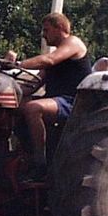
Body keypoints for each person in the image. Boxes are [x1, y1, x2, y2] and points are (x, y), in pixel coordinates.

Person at [16, 13, 90, 180]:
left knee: (33, 108)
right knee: (15, 107)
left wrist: (18, 64)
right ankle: (21, 155)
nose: (43, 35)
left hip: (73, 103)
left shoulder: (73, 43)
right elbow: (33, 85)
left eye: (46, 30)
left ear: (59, 28)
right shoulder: (58, 56)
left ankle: (40, 162)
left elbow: (49, 60)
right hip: (56, 101)